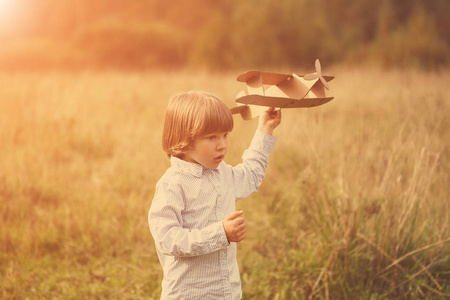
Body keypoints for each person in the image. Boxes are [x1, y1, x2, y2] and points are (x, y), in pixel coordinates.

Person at [148, 90, 281, 299]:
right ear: (185, 139)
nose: (222, 145)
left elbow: (252, 174)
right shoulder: (172, 184)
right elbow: (167, 238)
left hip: (226, 292)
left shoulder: (223, 174)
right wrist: (221, 234)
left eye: (225, 135)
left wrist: (265, 128)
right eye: (212, 137)